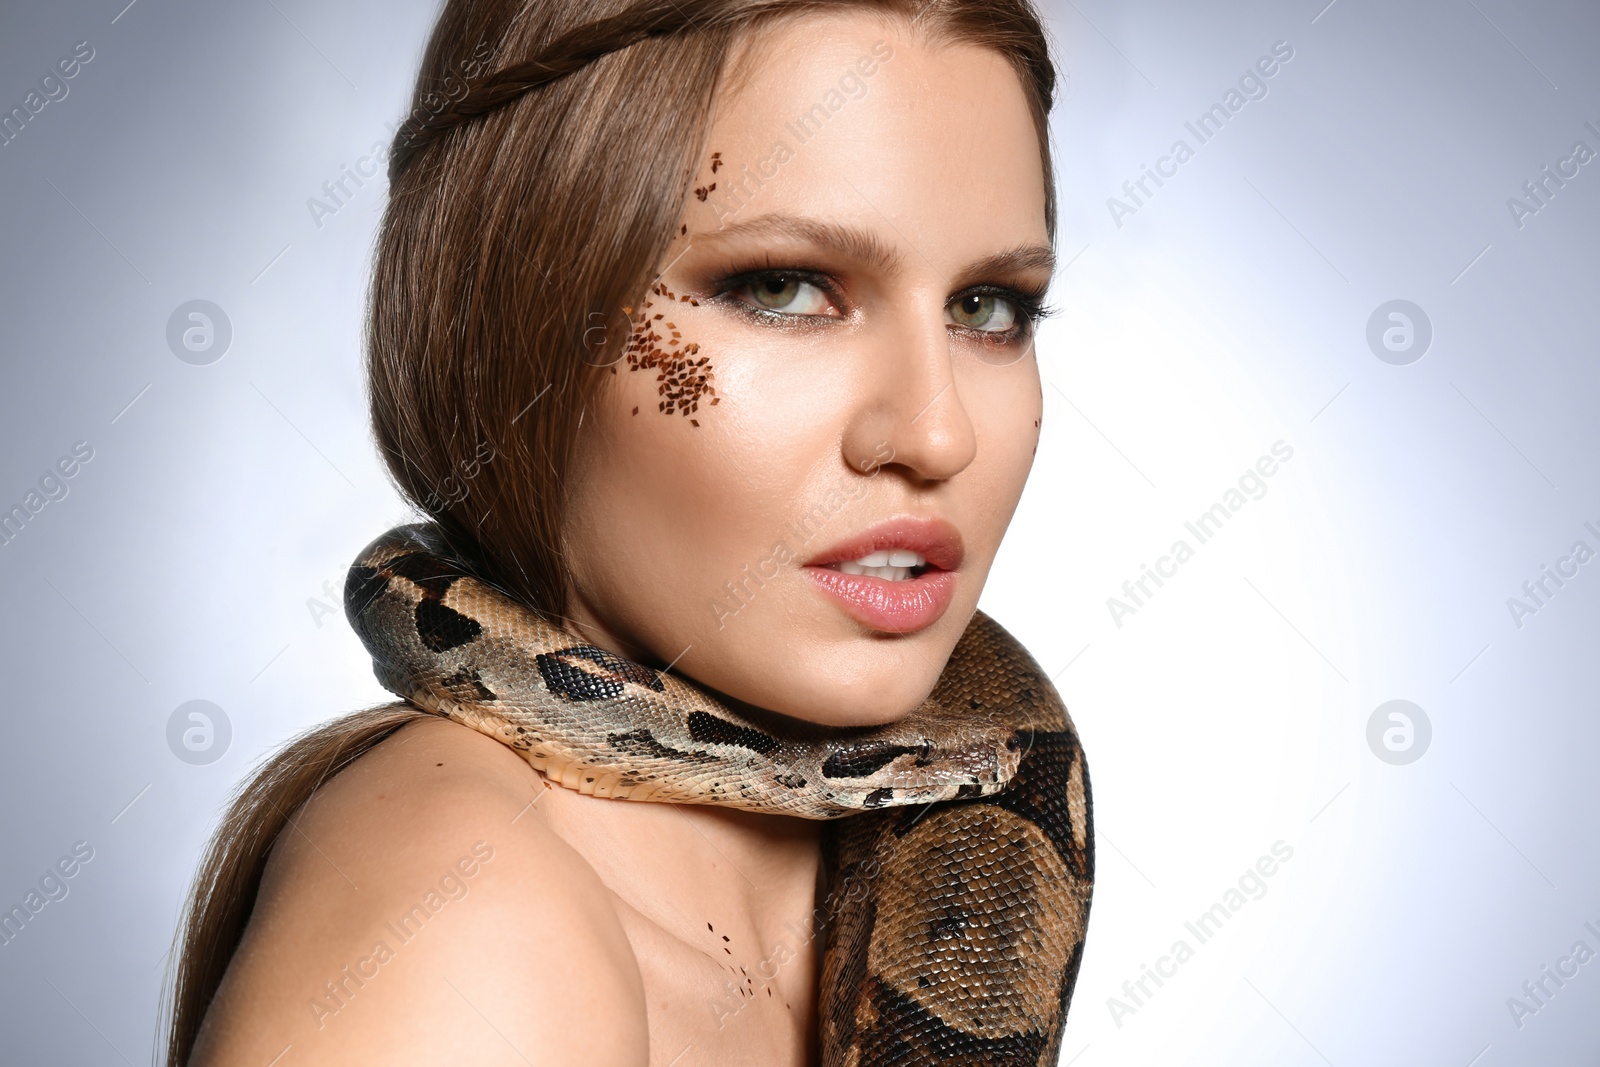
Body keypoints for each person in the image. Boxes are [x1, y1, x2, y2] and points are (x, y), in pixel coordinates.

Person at [168, 1, 1068, 1063]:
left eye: (989, 308)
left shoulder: (830, 871)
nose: (936, 431)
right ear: (518, 330)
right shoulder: (457, 924)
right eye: (780, 287)